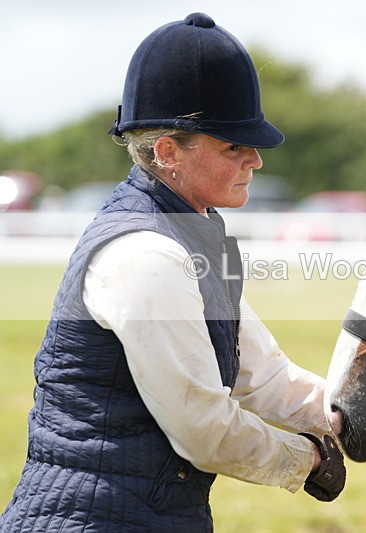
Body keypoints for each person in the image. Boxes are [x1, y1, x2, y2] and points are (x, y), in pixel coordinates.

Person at [0, 12, 345, 532]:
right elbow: (202, 429)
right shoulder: (146, 255)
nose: (256, 159)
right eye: (233, 146)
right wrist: (308, 461)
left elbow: (267, 378)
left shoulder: (193, 236)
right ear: (167, 153)